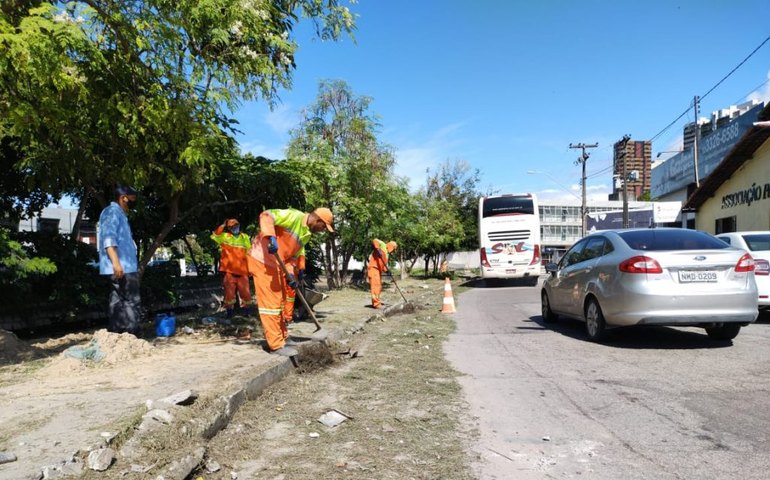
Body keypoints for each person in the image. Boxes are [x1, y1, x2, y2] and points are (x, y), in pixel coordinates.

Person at [249, 207, 334, 356]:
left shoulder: (305, 234)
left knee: (281, 302)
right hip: (262, 260)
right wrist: (271, 236)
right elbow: (266, 215)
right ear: (318, 220)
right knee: (271, 304)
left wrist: (290, 276)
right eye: (323, 227)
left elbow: (291, 257)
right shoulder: (294, 216)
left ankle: (283, 337)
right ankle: (275, 345)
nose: (322, 230)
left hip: (276, 263)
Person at [98, 185, 142, 336]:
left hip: (124, 266)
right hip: (122, 267)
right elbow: (109, 240)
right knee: (130, 300)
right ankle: (131, 335)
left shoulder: (120, 214)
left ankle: (117, 334)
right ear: (124, 198)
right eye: (132, 199)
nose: (133, 202)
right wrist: (116, 263)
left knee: (118, 300)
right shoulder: (112, 213)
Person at [211, 218, 254, 318]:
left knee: (246, 294)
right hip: (229, 272)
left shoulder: (245, 237)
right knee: (229, 295)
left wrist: (251, 269)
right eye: (232, 226)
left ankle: (247, 313)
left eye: (236, 225)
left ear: (239, 225)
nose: (235, 228)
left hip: (243, 272)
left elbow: (249, 253)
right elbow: (215, 235)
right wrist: (222, 225)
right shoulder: (225, 237)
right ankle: (229, 313)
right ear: (229, 228)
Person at [367, 239, 398, 309]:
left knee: (379, 286)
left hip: (378, 271)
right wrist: (378, 249)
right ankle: (376, 304)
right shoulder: (383, 245)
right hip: (373, 268)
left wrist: (387, 271)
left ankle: (377, 301)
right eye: (393, 249)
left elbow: (383, 266)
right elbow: (374, 240)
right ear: (391, 246)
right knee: (375, 286)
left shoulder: (386, 255)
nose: (393, 251)